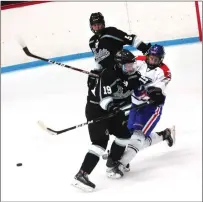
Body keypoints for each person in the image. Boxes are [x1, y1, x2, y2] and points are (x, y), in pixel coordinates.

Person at [72, 49, 148, 192]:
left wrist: (150, 93)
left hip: (115, 111)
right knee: (100, 143)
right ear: (119, 65)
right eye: (128, 66)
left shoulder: (133, 75)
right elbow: (104, 99)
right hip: (97, 111)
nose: (131, 68)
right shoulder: (108, 75)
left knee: (125, 134)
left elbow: (139, 90)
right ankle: (81, 175)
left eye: (132, 65)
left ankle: (112, 162)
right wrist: (112, 107)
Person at [113, 44, 176, 175]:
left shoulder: (164, 72)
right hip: (135, 104)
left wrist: (148, 88)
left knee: (138, 137)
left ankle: (121, 163)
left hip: (151, 108)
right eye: (151, 57)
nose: (153, 60)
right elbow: (126, 69)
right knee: (130, 135)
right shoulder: (139, 59)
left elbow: (156, 90)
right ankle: (165, 134)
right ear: (147, 56)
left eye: (156, 59)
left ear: (161, 59)